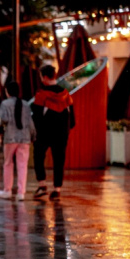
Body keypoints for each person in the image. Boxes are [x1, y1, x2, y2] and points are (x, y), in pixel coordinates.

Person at [32, 65, 75, 200]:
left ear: (45, 78)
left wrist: (36, 133)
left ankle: (42, 185)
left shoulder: (41, 95)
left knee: (38, 156)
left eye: (41, 77)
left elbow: (36, 117)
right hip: (61, 134)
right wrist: (65, 130)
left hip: (43, 134)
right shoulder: (66, 94)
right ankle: (57, 190)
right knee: (59, 160)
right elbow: (72, 120)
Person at [0, 81, 36, 201]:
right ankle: (21, 193)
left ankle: (7, 190)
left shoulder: (5, 104)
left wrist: (0, 124)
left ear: (7, 92)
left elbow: (3, 119)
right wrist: (33, 135)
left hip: (10, 137)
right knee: (22, 165)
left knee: (8, 163)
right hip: (24, 138)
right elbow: (30, 122)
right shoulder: (25, 104)